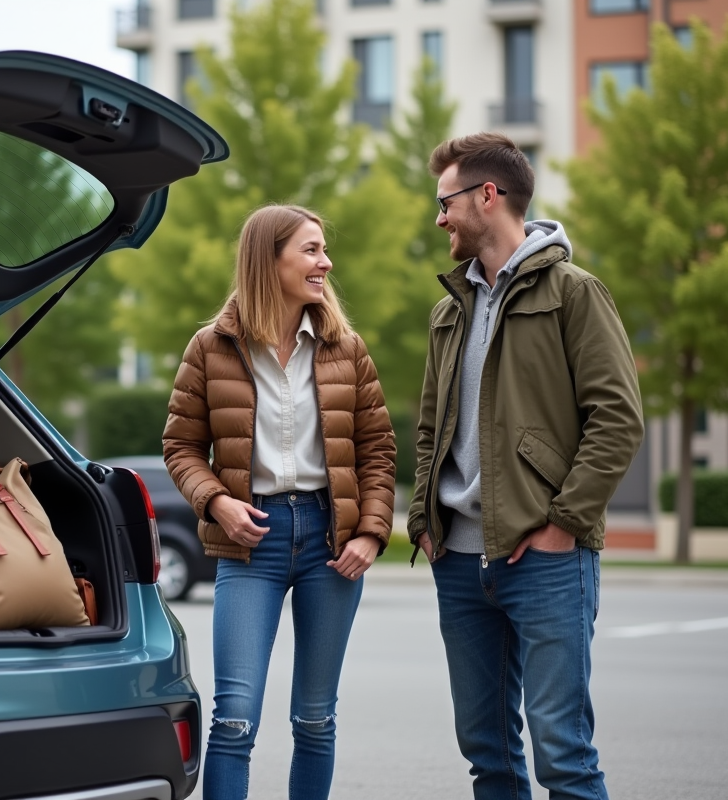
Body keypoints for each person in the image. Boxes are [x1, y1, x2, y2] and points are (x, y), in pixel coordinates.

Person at [407, 131, 643, 800]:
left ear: (488, 195)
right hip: (458, 558)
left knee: (562, 754)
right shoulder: (448, 310)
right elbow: (431, 428)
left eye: (446, 201)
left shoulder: (574, 293)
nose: (439, 217)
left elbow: (618, 419)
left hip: (545, 558)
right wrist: (425, 519)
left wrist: (564, 523)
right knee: (487, 753)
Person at [163, 204, 395, 800]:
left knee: (315, 719)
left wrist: (370, 533)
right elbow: (181, 446)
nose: (327, 262)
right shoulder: (210, 347)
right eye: (312, 250)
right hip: (250, 543)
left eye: (323, 250)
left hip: (329, 540)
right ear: (270, 259)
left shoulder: (347, 347)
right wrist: (216, 503)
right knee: (234, 719)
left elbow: (377, 451)